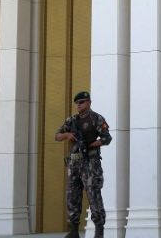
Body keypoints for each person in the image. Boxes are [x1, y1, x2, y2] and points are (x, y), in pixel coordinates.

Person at [55, 91, 112, 238]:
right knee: (72, 196)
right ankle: (73, 230)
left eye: (82, 102)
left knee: (93, 195)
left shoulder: (96, 118)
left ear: (89, 103)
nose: (78, 105)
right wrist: (68, 135)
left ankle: (99, 230)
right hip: (74, 162)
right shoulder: (72, 120)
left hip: (90, 162)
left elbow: (107, 138)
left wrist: (94, 144)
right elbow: (57, 136)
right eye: (77, 103)